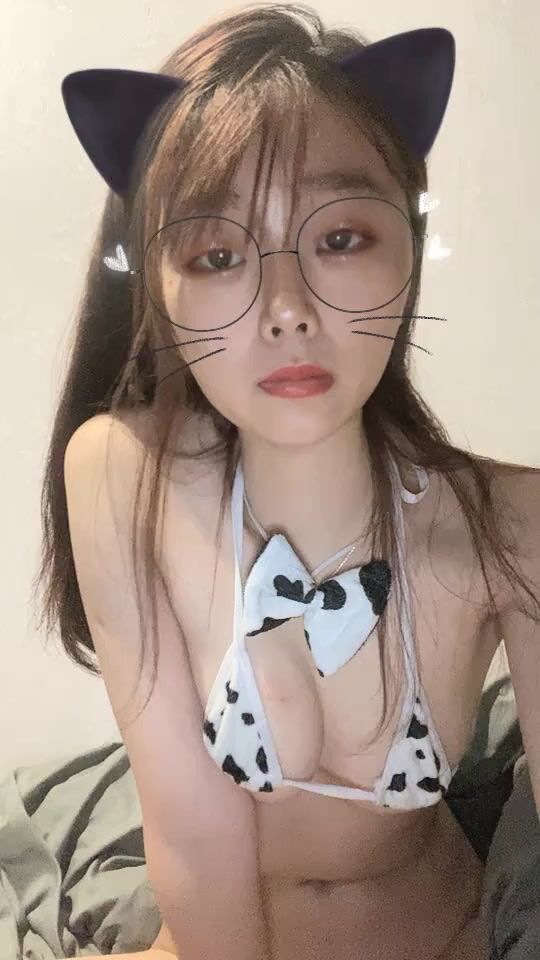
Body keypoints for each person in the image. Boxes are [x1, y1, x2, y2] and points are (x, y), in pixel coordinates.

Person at [33, 4, 540, 959]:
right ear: (157, 288)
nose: (286, 310)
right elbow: (193, 833)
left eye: (340, 238)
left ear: (408, 244)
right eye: (219, 256)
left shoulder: (513, 525)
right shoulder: (120, 473)